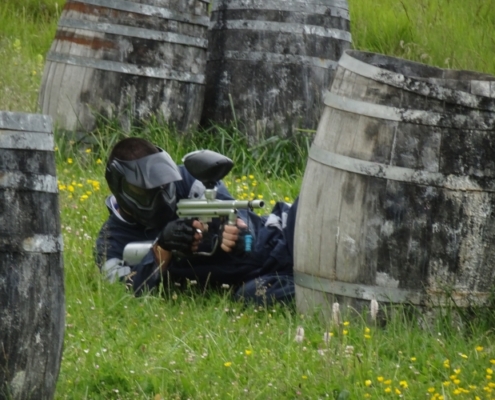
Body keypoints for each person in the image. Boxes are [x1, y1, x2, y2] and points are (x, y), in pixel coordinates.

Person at [95, 137, 298, 305]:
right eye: (146, 191)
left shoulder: (188, 179)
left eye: (164, 185)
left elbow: (239, 221)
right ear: (120, 187)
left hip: (286, 233)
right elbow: (125, 292)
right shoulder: (110, 242)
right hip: (262, 279)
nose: (161, 196)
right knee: (253, 297)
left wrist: (237, 236)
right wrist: (161, 250)